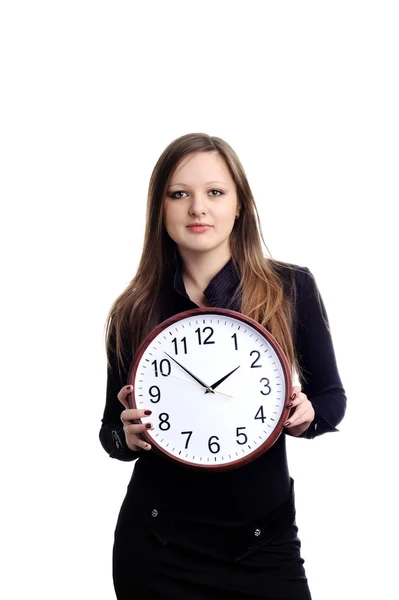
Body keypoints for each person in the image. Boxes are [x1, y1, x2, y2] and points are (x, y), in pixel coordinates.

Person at [99, 133, 347, 599]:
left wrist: (310, 415)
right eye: (180, 194)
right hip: (156, 549)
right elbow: (110, 432)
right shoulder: (133, 311)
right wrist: (125, 437)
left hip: (263, 547)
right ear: (161, 209)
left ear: (240, 206)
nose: (198, 208)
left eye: (215, 192)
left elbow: (333, 400)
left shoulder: (290, 289)